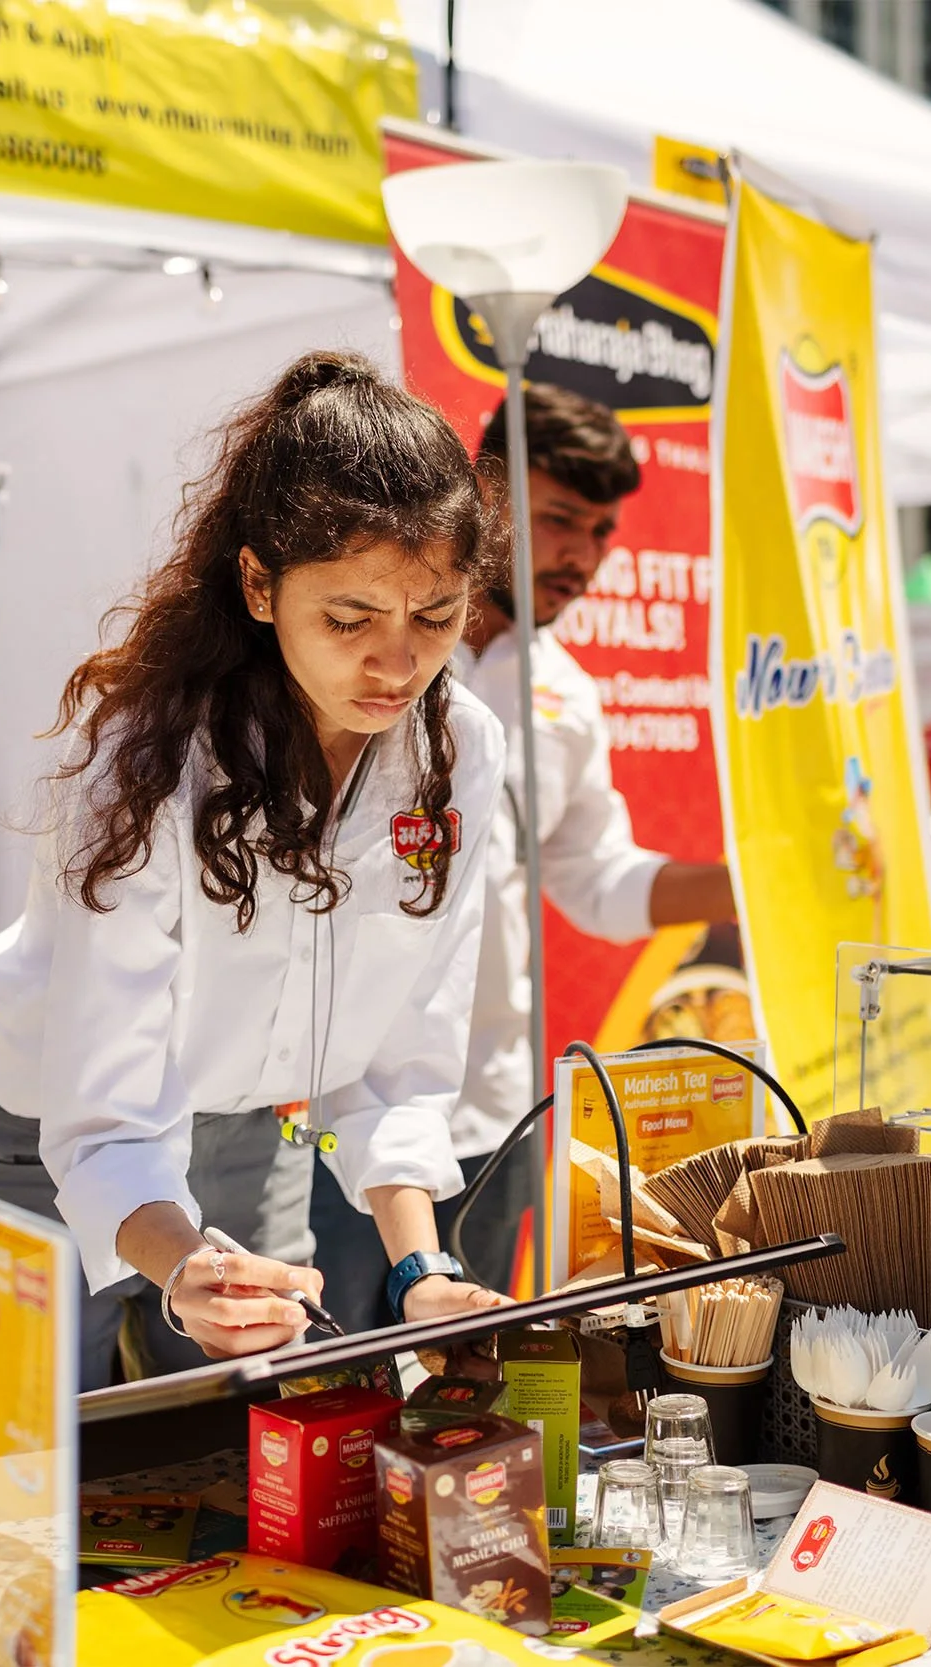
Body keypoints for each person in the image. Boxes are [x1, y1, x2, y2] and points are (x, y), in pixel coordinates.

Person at [0, 351, 513, 1390]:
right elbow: (104, 1112)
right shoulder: (151, 762)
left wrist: (420, 1267)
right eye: (349, 619)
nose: (397, 664)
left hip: (254, 1121)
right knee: (15, 1460)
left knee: (240, 1439)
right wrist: (185, 1265)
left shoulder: (459, 751)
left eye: (435, 617)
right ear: (258, 583)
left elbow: (395, 1054)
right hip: (40, 1126)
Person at [307, 386, 738, 1327]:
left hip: (493, 1110)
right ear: (486, 496)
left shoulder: (566, 695)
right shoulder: (372, 661)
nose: (583, 556)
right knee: (337, 1391)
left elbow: (595, 877)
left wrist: (751, 891)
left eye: (600, 531)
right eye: (558, 521)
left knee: (469, 1395)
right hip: (341, 1112)